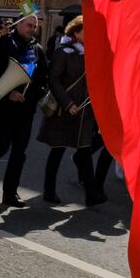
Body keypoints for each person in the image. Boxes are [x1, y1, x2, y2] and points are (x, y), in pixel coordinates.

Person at [37, 16, 104, 205]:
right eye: (86, 31)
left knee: (83, 150)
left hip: (84, 112)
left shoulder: (91, 53)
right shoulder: (63, 52)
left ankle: (92, 194)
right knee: (57, 150)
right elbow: (54, 80)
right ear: (75, 32)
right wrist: (67, 103)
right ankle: (49, 190)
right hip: (64, 110)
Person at [0, 11, 48, 208]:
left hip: (25, 110)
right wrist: (9, 92)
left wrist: (32, 96)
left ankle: (10, 193)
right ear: (19, 25)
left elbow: (43, 78)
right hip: (5, 107)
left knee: (20, 152)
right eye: (29, 25)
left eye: (34, 26)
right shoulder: (5, 44)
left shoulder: (37, 49)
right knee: (0, 146)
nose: (32, 29)